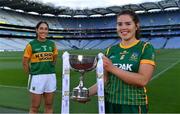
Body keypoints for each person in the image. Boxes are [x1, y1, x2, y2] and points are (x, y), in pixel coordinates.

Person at [88, 10, 156, 113]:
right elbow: (104, 80)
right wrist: (86, 93)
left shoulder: (145, 48)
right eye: (119, 24)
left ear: (136, 26)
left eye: (128, 24)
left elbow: (143, 80)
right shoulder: (110, 50)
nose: (123, 27)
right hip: (109, 104)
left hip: (133, 105)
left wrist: (112, 68)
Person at [22, 21, 58, 113]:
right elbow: (25, 63)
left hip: (50, 77)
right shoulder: (31, 45)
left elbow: (54, 59)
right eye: (41, 28)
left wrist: (48, 67)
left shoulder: (52, 44)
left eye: (46, 29)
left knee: (49, 105)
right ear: (36, 30)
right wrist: (32, 74)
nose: (44, 31)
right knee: (35, 107)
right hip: (36, 78)